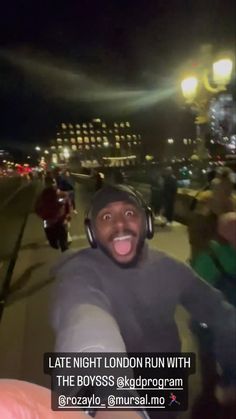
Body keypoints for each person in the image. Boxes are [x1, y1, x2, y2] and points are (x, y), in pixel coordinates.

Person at [51, 184, 236, 418]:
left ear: (146, 223)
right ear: (92, 233)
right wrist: (110, 398)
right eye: (107, 216)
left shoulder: (169, 267)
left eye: (129, 213)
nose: (120, 224)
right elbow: (83, 315)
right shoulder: (81, 272)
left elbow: (219, 311)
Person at [35, 175, 71, 252]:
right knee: (60, 241)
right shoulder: (59, 194)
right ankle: (63, 249)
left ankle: (62, 248)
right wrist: (67, 214)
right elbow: (66, 203)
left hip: (52, 220)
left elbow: (37, 208)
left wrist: (42, 215)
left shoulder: (42, 195)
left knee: (56, 241)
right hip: (57, 219)